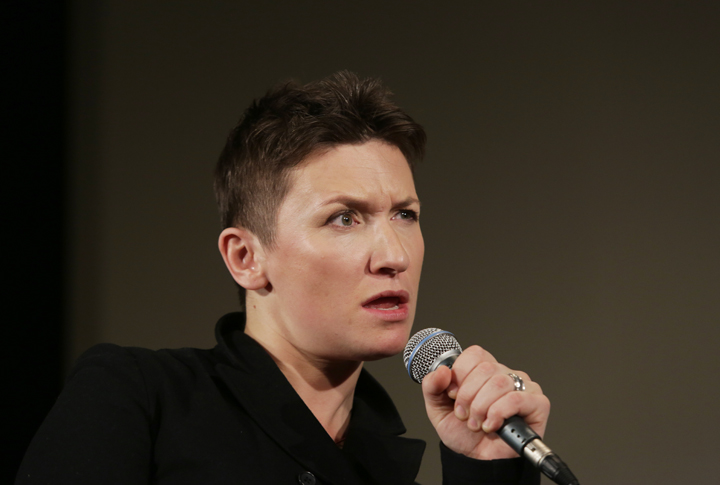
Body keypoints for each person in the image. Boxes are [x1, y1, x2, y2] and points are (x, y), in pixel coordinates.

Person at [16, 71, 549, 484]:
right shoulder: (139, 397)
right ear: (246, 257)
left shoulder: (385, 462)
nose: (394, 256)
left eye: (405, 214)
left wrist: (488, 466)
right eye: (344, 218)